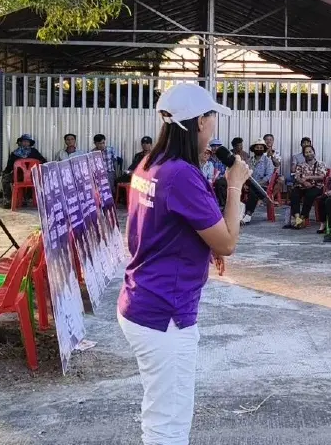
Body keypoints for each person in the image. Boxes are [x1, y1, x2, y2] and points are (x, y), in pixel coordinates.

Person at [118, 82, 250, 445]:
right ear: (200, 122)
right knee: (169, 425)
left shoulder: (151, 164)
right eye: (212, 118)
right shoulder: (181, 175)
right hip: (166, 312)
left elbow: (159, 225)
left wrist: (204, 248)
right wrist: (234, 185)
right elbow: (228, 242)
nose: (214, 127)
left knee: (159, 414)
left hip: (142, 298)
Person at [1, 133, 47, 207]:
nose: (26, 143)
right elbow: (9, 167)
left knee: (5, 178)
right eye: (24, 141)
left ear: (30, 143)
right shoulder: (14, 154)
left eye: (27, 142)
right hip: (20, 176)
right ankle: (9, 200)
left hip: (30, 176)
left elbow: (43, 161)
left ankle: (24, 199)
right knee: (5, 178)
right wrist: (5, 172)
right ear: (20, 143)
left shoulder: (34, 152)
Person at [286, 145, 326, 229]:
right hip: (302, 186)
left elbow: (322, 176)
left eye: (310, 151)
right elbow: (297, 177)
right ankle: (297, 217)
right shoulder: (301, 165)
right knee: (294, 193)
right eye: (306, 152)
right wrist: (304, 182)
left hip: (316, 186)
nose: (308, 154)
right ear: (304, 154)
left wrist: (308, 177)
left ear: (314, 152)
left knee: (310, 195)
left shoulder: (320, 164)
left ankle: (303, 217)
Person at [241, 139, 276, 225]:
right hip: (249, 184)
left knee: (254, 190)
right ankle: (238, 214)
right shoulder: (249, 160)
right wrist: (244, 183)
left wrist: (257, 184)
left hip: (262, 186)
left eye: (261, 148)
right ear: (253, 149)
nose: (259, 149)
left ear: (264, 149)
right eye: (257, 147)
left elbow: (268, 176)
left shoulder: (267, 161)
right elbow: (244, 173)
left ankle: (248, 214)